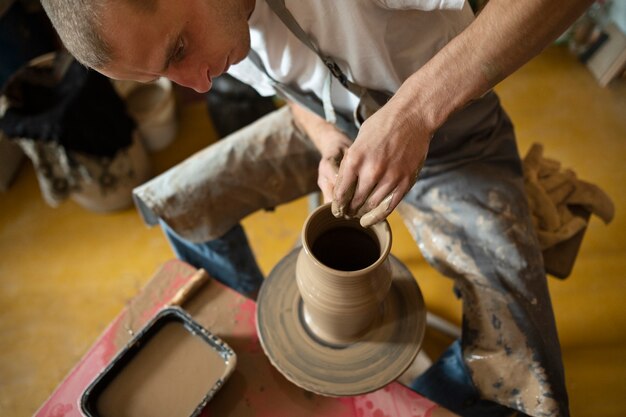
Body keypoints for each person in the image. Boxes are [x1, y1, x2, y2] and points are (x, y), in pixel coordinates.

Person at [41, 1, 593, 416]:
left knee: (525, 378)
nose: (197, 84)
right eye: (166, 75)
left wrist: (415, 114)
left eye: (180, 51)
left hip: (451, 139)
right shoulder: (215, 21)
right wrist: (325, 137)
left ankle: (404, 397)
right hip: (330, 128)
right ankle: (273, 335)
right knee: (178, 201)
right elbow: (287, 90)